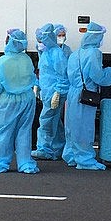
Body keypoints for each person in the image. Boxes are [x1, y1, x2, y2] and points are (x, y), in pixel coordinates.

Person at [0, 28, 39, 174]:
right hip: (28, 98)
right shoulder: (26, 59)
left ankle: (1, 162)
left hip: (8, 102)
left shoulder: (2, 62)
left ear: (9, 41)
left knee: (4, 131)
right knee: (24, 131)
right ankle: (25, 163)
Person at [62, 21, 111, 170]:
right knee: (84, 127)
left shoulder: (75, 53)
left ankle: (71, 156)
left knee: (72, 126)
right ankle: (85, 159)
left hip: (73, 93)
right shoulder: (94, 53)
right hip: (86, 94)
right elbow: (97, 75)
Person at [31, 23, 70, 160]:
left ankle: (44, 149)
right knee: (54, 120)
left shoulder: (57, 53)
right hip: (48, 92)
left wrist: (58, 92)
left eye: (42, 39)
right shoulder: (46, 52)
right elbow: (42, 72)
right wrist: (37, 85)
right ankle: (59, 147)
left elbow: (62, 75)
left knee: (46, 120)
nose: (40, 42)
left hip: (54, 92)